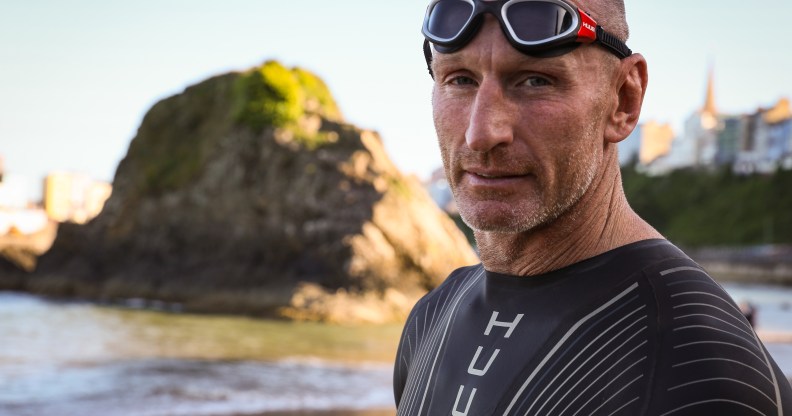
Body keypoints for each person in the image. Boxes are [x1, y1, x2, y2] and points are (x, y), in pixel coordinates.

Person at [393, 0, 792, 415]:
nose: (481, 133)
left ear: (624, 99)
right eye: (460, 79)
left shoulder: (700, 372)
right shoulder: (431, 318)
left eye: (534, 81)